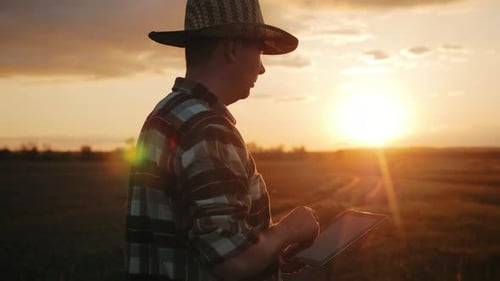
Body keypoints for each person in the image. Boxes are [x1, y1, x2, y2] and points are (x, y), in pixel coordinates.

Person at [125, 1, 320, 280]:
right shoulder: (209, 129)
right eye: (260, 52)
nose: (262, 68)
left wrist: (268, 253)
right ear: (232, 48)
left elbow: (196, 240)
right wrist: (289, 229)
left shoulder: (165, 114)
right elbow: (232, 262)